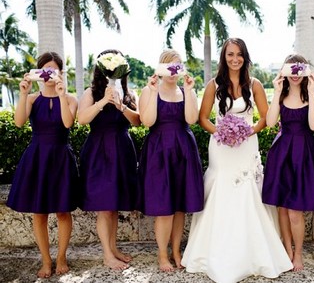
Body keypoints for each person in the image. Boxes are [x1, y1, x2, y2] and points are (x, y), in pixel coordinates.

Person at [181, 38, 293, 283]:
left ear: (245, 57)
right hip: (221, 147)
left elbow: (265, 118)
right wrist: (220, 132)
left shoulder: (255, 85)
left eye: (239, 54)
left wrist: (247, 131)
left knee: (248, 191)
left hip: (246, 146)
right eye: (230, 54)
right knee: (221, 188)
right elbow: (203, 118)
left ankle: (254, 253)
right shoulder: (213, 85)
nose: (235, 59)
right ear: (224, 57)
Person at [6, 52, 79, 278]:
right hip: (37, 157)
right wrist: (23, 93)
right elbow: (18, 123)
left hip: (60, 157)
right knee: (39, 213)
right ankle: (46, 261)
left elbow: (67, 123)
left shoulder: (70, 99)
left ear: (60, 72)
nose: (48, 74)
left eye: (53, 70)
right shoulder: (31, 99)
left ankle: (61, 257)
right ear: (38, 73)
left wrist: (61, 94)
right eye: (44, 70)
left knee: (63, 211)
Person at [137, 49, 204, 271]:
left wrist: (189, 90)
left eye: (177, 66)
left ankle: (176, 251)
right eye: (169, 66)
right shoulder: (149, 91)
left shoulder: (186, 91)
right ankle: (162, 254)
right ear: (160, 68)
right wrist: (154, 91)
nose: (173, 71)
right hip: (159, 152)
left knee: (180, 207)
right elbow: (147, 121)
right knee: (164, 208)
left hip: (183, 150)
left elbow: (192, 119)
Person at [77, 49, 140, 270]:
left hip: (122, 151)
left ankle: (113, 249)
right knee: (104, 206)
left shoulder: (129, 93)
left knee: (114, 205)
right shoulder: (90, 93)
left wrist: (121, 106)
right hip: (98, 152)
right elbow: (82, 119)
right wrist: (103, 100)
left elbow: (138, 121)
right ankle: (107, 255)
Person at [262, 53, 314, 271]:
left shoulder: (313, 95)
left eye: (300, 69)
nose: (295, 74)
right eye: (291, 69)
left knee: (295, 210)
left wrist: (311, 92)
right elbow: (270, 123)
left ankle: (298, 253)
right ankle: (286, 249)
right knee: (283, 207)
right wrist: (277, 91)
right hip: (282, 151)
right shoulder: (281, 94)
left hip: (303, 153)